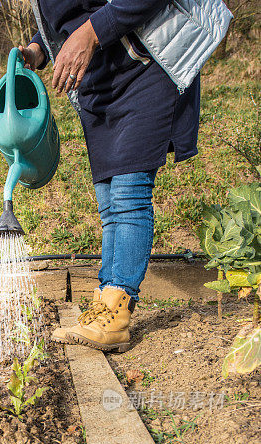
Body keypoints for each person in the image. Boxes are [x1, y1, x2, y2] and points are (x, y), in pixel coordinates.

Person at [19, 0, 231, 352]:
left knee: (129, 194)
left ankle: (118, 312)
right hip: (99, 81)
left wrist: (91, 32)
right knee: (108, 202)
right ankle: (106, 303)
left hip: (145, 65)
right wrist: (38, 48)